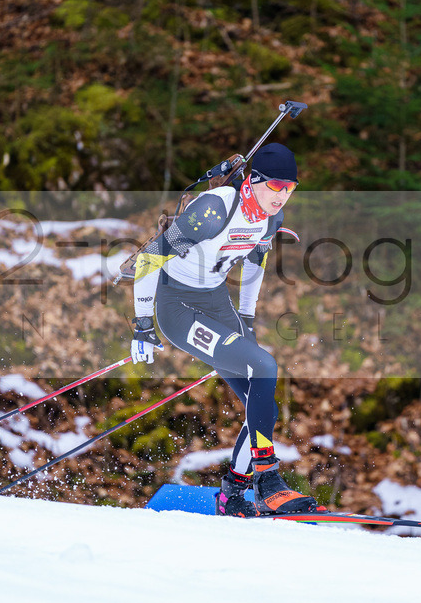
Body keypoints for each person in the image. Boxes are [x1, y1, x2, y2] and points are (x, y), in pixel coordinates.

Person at [129, 142, 317, 517]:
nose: (282, 196)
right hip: (178, 307)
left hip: (216, 302)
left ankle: (232, 492)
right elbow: (150, 256)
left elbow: (255, 265)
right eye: (276, 186)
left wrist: (246, 318)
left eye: (290, 188)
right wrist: (143, 325)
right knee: (265, 366)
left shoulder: (269, 217)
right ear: (254, 181)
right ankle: (268, 481)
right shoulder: (214, 210)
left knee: (261, 401)